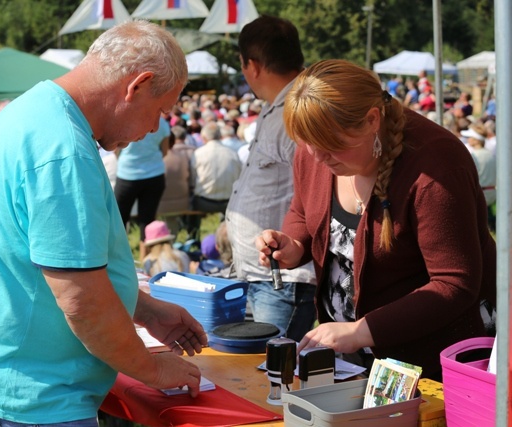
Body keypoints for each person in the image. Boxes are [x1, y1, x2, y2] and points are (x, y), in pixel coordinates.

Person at [0, 21, 207, 425]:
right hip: (25, 394)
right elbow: (83, 303)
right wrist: (153, 370)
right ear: (137, 85)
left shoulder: (35, 108)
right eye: (160, 111)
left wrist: (143, 309)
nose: (154, 127)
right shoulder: (63, 149)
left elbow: (48, 265)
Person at [256, 59, 496, 379]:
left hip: (433, 362)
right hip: (352, 359)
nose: (317, 158)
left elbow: (454, 283)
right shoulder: (316, 148)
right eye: (308, 145)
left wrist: (362, 330)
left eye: (331, 146)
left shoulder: (436, 167)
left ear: (371, 120)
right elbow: (302, 209)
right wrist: (294, 242)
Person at [225, 15, 317, 342]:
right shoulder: (276, 108)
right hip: (264, 275)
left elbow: (319, 191)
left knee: (270, 378)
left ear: (252, 65)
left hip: (282, 279)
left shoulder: (295, 113)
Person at [115, 112, 170, 259]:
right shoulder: (162, 123)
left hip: (128, 174)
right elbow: (165, 151)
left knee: (119, 219)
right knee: (147, 220)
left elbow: (115, 149)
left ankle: (118, 258)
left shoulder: (125, 119)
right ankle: (146, 260)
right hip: (154, 174)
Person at [190, 122, 241, 216]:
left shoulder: (198, 153)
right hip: (229, 201)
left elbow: (193, 180)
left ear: (204, 138)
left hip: (204, 201)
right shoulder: (232, 153)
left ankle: (192, 229)